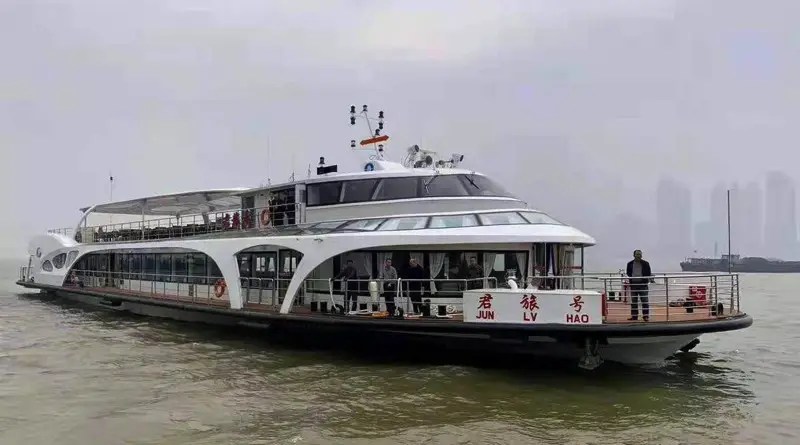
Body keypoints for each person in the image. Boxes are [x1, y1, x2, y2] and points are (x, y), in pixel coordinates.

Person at [626, 249, 655, 321]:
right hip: (634, 285)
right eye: (637, 254)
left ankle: (645, 316)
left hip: (643, 285)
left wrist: (643, 279)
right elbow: (628, 273)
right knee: (634, 302)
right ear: (634, 255)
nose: (638, 256)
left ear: (641, 255)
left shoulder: (646, 263)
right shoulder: (629, 264)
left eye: (640, 254)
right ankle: (634, 316)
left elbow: (648, 273)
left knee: (645, 301)